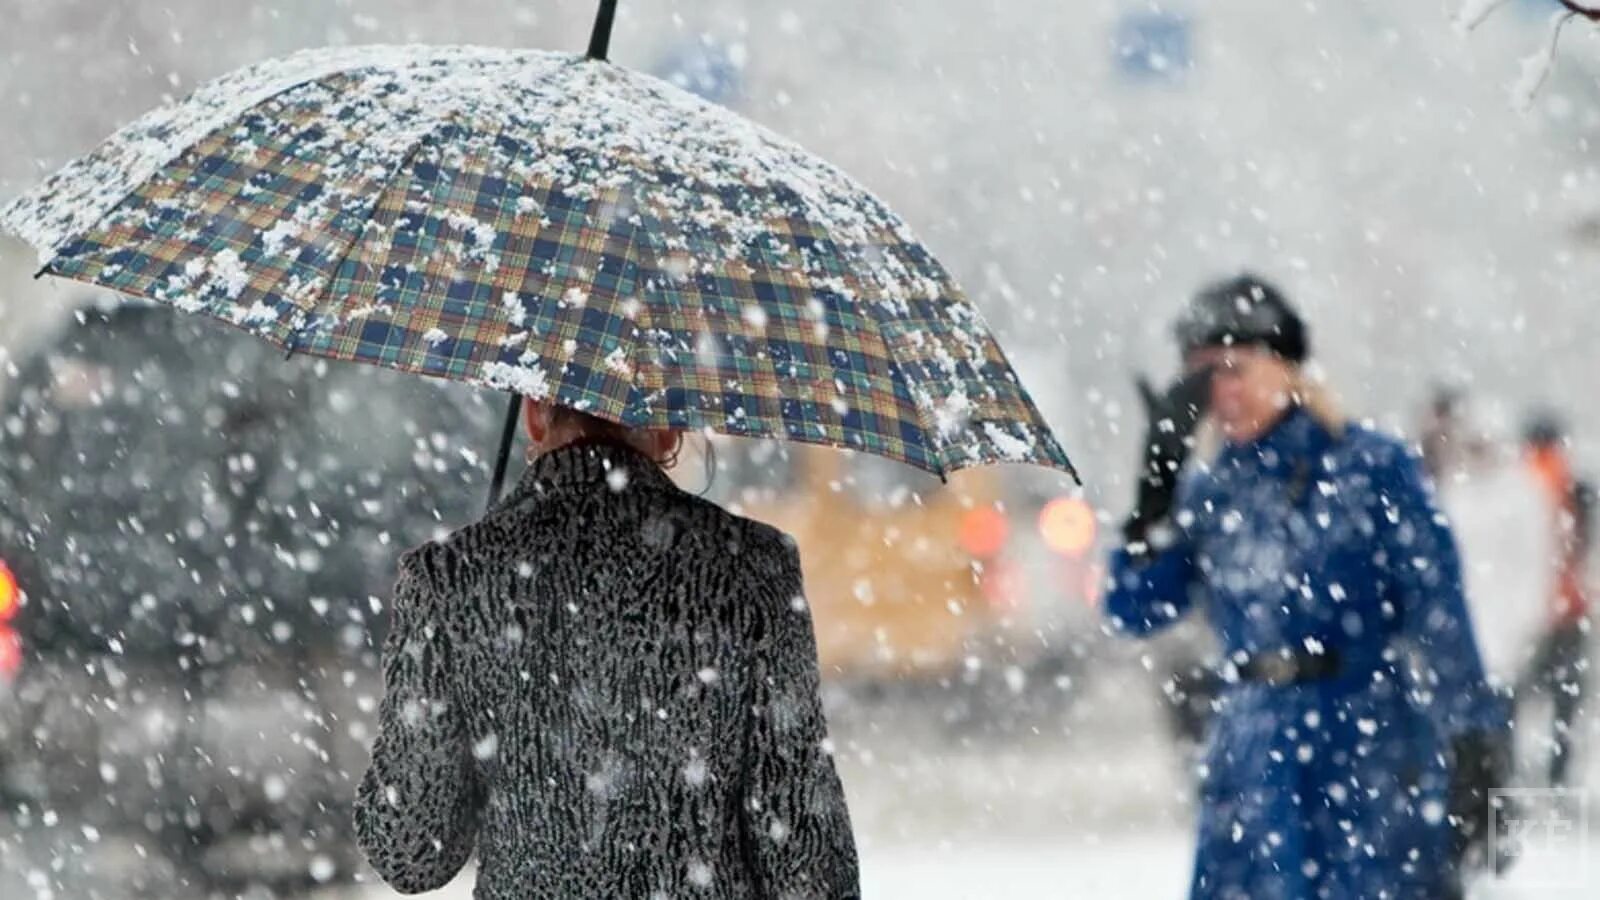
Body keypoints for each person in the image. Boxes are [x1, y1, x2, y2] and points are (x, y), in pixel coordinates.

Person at [1106, 274, 1511, 899]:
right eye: (1200, 376)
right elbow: (1135, 609)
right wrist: (1149, 504)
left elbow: (1440, 611)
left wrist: (1476, 744)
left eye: (1235, 368)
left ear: (1287, 367)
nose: (1220, 392)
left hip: (1366, 746)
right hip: (1250, 758)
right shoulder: (1212, 489)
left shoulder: (1372, 468)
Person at [353, 399, 860, 898]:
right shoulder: (752, 567)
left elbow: (411, 850)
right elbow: (808, 867)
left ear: (533, 416)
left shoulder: (448, 579)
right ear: (668, 433)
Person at [1516, 412, 1594, 789]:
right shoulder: (1572, 483)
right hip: (1568, 608)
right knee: (1564, 699)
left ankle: (1506, 773)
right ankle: (1557, 776)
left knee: (1515, 696)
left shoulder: (1520, 481)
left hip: (1527, 613)